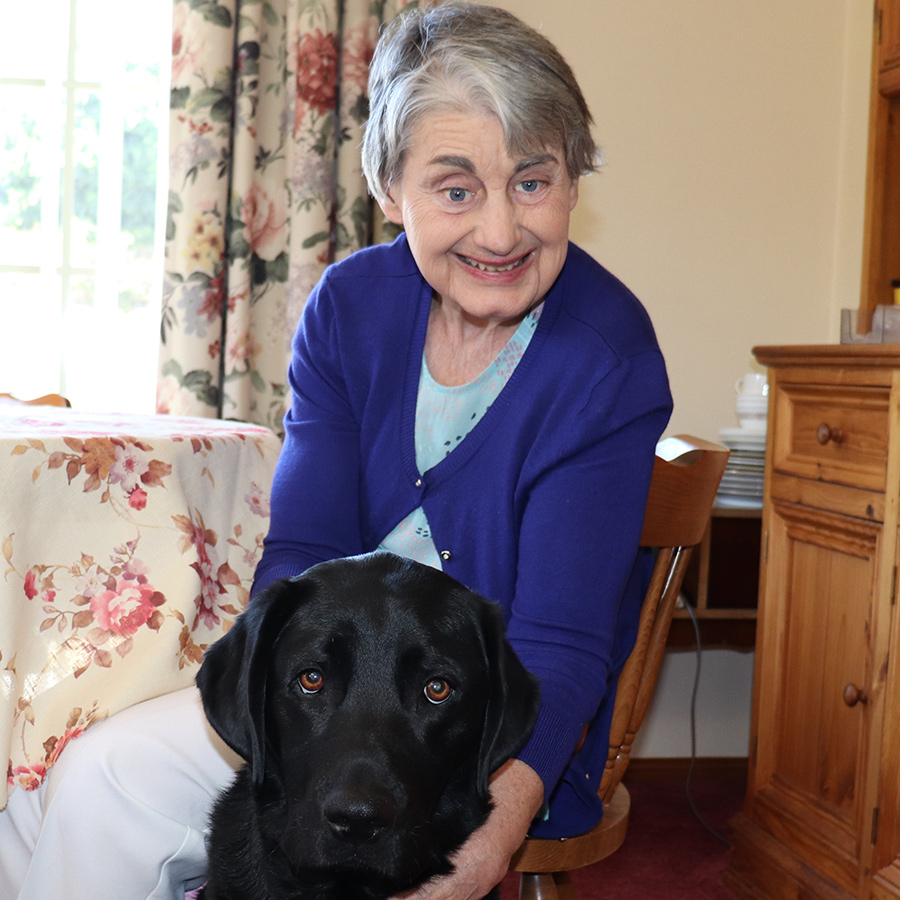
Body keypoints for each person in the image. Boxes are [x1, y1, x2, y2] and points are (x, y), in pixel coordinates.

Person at [0, 3, 672, 898]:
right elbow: (302, 554)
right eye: (456, 187)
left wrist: (492, 836)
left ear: (573, 181)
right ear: (391, 191)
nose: (502, 232)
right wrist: (295, 732)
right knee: (79, 782)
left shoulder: (606, 357)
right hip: (336, 709)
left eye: (533, 182)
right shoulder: (350, 307)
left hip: (481, 737)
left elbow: (556, 648)